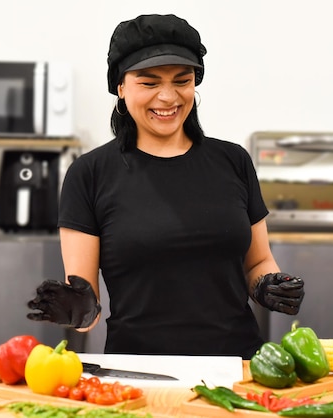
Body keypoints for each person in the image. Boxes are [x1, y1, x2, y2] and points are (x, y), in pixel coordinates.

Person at [27, 14, 304, 359]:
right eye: (149, 82)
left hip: (240, 366)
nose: (168, 97)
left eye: (182, 81)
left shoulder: (233, 161)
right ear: (121, 87)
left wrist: (268, 285)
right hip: (139, 372)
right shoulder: (90, 174)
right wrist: (81, 308)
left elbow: (258, 261)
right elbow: (87, 302)